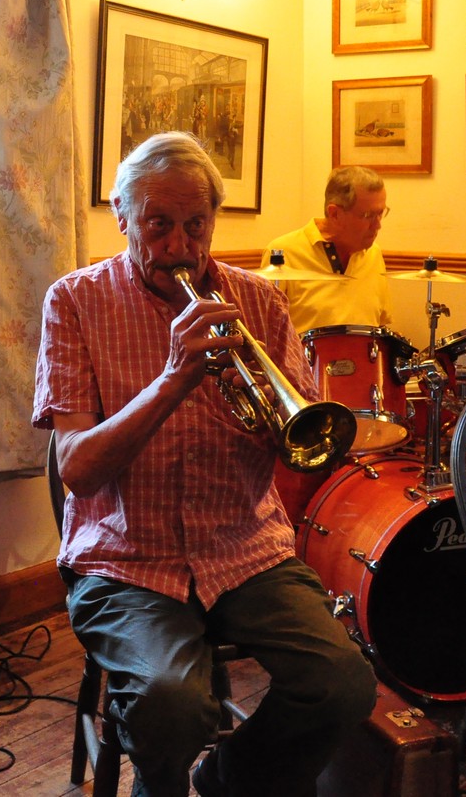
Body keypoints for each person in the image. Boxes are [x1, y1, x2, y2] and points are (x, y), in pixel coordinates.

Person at [32, 131, 376, 797]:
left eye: (197, 226)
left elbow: (300, 432)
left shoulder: (258, 301)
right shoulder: (74, 301)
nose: (180, 246)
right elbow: (77, 469)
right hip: (124, 557)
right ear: (123, 216)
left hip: (244, 550)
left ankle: (230, 778)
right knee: (172, 704)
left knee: (343, 683)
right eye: (158, 225)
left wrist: (285, 424)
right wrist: (173, 379)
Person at [260, 164, 393, 335]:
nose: (378, 225)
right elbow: (265, 333)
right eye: (368, 216)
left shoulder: (374, 254)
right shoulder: (282, 252)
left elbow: (381, 326)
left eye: (380, 213)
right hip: (301, 361)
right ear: (334, 213)